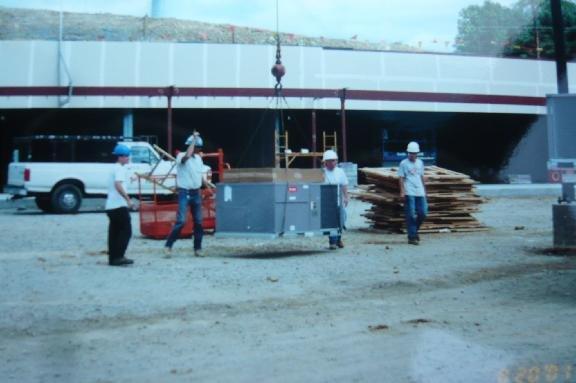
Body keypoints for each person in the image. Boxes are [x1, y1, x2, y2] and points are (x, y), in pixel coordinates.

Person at [163, 132, 211, 258]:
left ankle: (198, 248)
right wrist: (194, 139)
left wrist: (206, 185)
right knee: (181, 221)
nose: (199, 149)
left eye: (199, 147)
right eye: (197, 147)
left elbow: (198, 174)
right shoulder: (181, 156)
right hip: (185, 192)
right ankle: (168, 245)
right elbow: (188, 155)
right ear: (191, 146)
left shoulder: (199, 159)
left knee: (199, 222)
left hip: (196, 192)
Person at [105, 144, 134, 266]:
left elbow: (120, 182)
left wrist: (131, 179)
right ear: (120, 157)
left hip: (110, 206)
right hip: (119, 205)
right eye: (126, 156)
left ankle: (113, 258)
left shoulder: (115, 168)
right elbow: (118, 185)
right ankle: (119, 256)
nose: (128, 158)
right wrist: (128, 199)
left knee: (114, 232)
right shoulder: (120, 169)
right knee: (126, 231)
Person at [398, 141, 428, 245]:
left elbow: (422, 176)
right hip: (409, 191)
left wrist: (425, 190)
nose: (412, 155)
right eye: (410, 153)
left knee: (423, 213)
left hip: (420, 191)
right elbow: (401, 178)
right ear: (408, 153)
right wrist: (402, 191)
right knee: (410, 214)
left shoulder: (420, 163)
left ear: (417, 153)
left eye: (414, 153)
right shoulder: (403, 163)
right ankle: (412, 237)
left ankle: (414, 232)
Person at [322, 149, 349, 250]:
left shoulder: (340, 172)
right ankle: (333, 241)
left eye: (334, 160)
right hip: (326, 200)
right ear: (325, 162)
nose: (333, 163)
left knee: (341, 219)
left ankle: (338, 239)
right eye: (331, 161)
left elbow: (344, 184)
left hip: (338, 200)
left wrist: (346, 197)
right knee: (331, 221)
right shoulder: (321, 172)